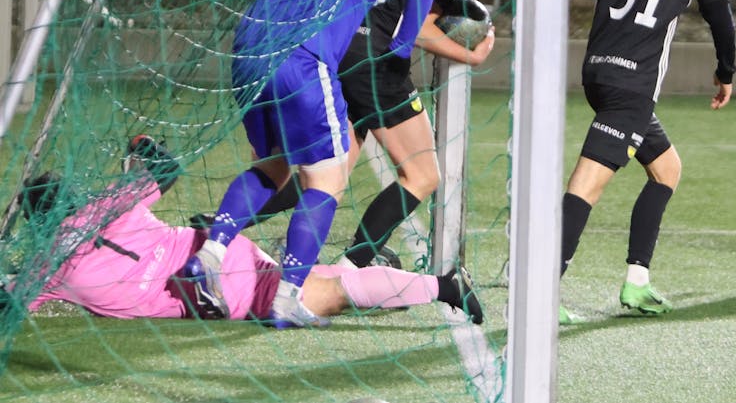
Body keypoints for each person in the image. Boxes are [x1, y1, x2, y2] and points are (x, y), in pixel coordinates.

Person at [250, 0, 513, 272]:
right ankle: (352, 268)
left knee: (326, 177)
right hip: (377, 65)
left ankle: (214, 229)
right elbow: (420, 30)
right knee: (423, 175)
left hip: (343, 55)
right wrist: (470, 55)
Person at [181, 0, 436, 328]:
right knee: (327, 179)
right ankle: (288, 300)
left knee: (272, 167)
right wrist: (400, 50)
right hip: (301, 61)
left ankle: (210, 254)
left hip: (248, 58)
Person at [8, 136, 482, 325]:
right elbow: (164, 166)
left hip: (217, 294)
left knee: (332, 295)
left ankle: (442, 287)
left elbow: (9, 299)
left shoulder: (46, 269)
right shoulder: (109, 206)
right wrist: (139, 147)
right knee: (322, 281)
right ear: (73, 197)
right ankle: (434, 284)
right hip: (219, 253)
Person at [558, 0, 736, 324]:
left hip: (598, 71)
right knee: (586, 186)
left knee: (667, 170)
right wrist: (726, 71)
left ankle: (637, 283)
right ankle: (541, 289)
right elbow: (721, 17)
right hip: (632, 87)